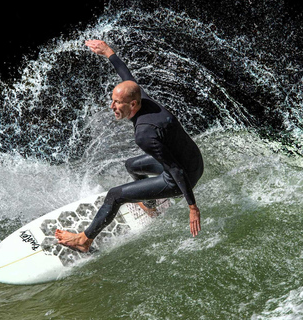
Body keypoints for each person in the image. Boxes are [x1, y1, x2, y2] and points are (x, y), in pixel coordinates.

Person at [55, 40, 204, 252]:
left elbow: (175, 169)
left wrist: (192, 207)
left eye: (117, 103)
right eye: (112, 101)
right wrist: (108, 52)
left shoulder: (144, 134)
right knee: (132, 165)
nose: (112, 106)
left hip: (183, 176)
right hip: (194, 160)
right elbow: (127, 76)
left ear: (132, 104)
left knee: (115, 195)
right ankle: (151, 204)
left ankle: (84, 241)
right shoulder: (143, 98)